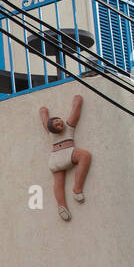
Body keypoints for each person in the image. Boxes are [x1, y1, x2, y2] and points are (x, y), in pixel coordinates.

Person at [39, 94, 91, 222]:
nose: (59, 123)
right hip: (57, 156)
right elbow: (44, 120)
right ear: (52, 128)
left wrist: (77, 101)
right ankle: (61, 205)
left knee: (85, 156)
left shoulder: (68, 127)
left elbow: (75, 112)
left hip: (68, 153)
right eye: (56, 124)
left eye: (59, 121)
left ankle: (77, 188)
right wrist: (43, 112)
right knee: (58, 182)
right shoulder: (52, 133)